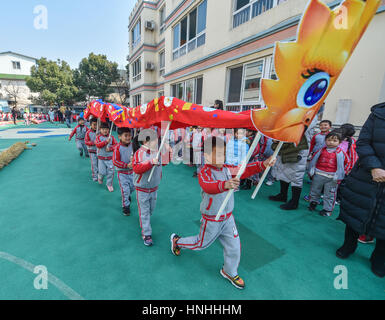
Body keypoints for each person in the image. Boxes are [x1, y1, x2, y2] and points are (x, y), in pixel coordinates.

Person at [170, 136, 276, 290]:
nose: (222, 157)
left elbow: (243, 170)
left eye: (223, 153)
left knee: (234, 247)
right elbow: (208, 186)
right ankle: (177, 241)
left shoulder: (226, 168)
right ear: (206, 155)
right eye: (218, 154)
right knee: (201, 244)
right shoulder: (204, 172)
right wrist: (225, 184)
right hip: (211, 218)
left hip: (228, 218)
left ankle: (229, 271)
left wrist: (263, 164)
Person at [336, 102, 385, 278]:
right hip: (366, 176)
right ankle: (349, 246)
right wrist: (374, 166)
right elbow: (363, 142)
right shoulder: (378, 114)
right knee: (355, 211)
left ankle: (379, 258)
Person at [132, 129, 168, 246]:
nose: (157, 142)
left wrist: (168, 154)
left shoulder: (157, 152)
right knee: (145, 212)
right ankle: (146, 233)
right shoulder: (139, 153)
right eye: (154, 140)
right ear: (145, 141)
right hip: (142, 188)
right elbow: (137, 168)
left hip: (154, 188)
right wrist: (150, 162)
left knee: (151, 209)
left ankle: (144, 221)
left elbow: (164, 163)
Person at [269, 121, 315, 210]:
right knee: (283, 172)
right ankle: (283, 195)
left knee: (296, 176)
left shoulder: (310, 115)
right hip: (286, 147)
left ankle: (294, 202)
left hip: (298, 150)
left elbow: (302, 128)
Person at [307, 131, 349, 217]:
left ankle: (327, 209)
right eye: (329, 140)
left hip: (332, 177)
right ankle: (313, 202)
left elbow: (347, 163)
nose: (331, 142)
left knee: (329, 194)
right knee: (315, 190)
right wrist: (311, 170)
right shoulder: (320, 150)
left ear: (339, 142)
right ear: (325, 140)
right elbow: (313, 160)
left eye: (334, 140)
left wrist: (341, 174)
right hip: (319, 174)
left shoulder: (341, 153)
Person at [113, 127, 134, 216]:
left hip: (133, 172)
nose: (128, 137)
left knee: (133, 187)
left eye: (129, 135)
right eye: (126, 136)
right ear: (119, 137)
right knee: (125, 190)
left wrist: (135, 159)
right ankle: (126, 206)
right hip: (122, 173)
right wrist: (126, 165)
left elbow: (138, 155)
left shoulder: (133, 145)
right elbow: (115, 161)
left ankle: (128, 195)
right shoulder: (117, 148)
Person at [95, 122, 118, 192]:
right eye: (103, 129)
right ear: (100, 129)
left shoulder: (112, 137)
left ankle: (109, 184)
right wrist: (105, 142)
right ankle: (100, 176)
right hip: (101, 158)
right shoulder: (98, 137)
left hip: (110, 159)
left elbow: (116, 146)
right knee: (102, 172)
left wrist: (110, 148)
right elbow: (98, 145)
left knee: (111, 172)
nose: (105, 130)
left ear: (109, 130)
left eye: (107, 129)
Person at [84, 118, 99, 182]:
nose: (96, 126)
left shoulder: (99, 132)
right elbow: (86, 142)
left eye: (97, 125)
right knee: (94, 164)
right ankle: (95, 176)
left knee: (99, 164)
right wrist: (93, 143)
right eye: (94, 125)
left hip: (99, 151)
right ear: (90, 125)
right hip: (92, 151)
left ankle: (99, 174)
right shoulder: (88, 133)